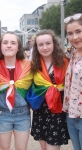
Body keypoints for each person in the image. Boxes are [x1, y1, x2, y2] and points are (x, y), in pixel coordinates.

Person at [26, 29, 70, 150]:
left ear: (54, 44)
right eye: (40, 44)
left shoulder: (65, 62)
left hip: (57, 111)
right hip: (40, 111)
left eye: (48, 43)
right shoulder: (34, 65)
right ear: (36, 47)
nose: (44, 47)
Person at [0, 31, 33, 150]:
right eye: (5, 42)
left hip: (23, 114)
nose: (9, 45)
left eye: (13, 43)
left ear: (18, 47)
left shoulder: (29, 65)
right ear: (0, 47)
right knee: (4, 148)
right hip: (2, 113)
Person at [63, 13, 82, 150]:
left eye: (78, 31)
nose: (74, 37)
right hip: (71, 114)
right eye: (70, 33)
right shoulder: (73, 53)